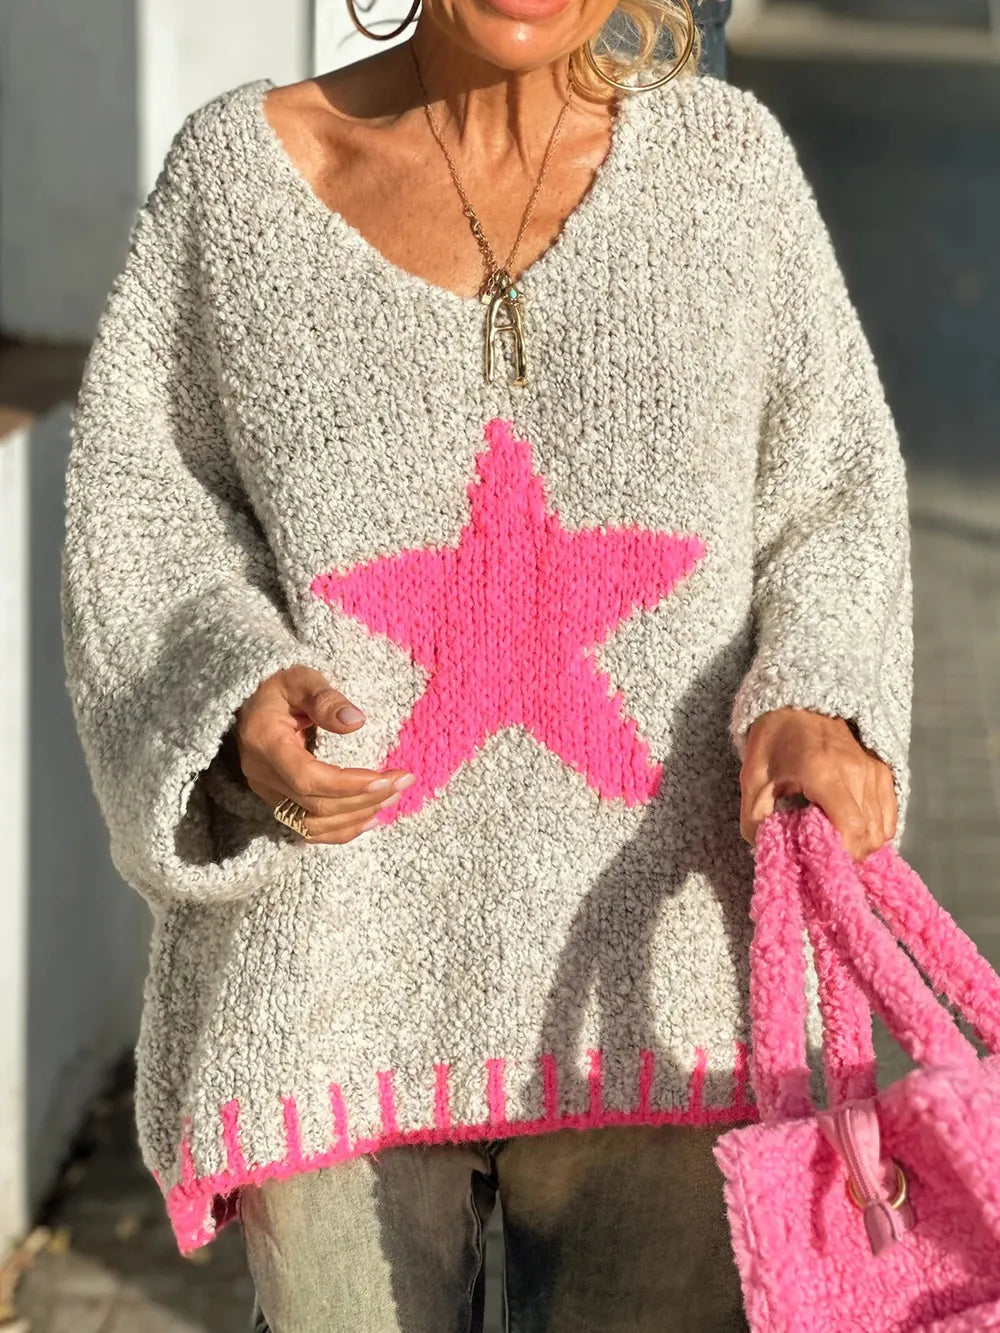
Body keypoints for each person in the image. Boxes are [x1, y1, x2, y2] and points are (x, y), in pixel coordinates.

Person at [60, 0, 912, 1325]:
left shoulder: (727, 176)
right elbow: (144, 522)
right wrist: (234, 700)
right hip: (333, 989)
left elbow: (832, 503)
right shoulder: (237, 187)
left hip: (663, 983)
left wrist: (820, 698)